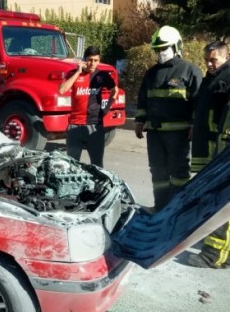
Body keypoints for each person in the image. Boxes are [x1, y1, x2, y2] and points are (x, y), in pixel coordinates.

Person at [134, 26, 202, 212]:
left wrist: (194, 125)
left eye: (164, 48)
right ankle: (161, 207)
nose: (160, 52)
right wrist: (140, 121)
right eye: (157, 49)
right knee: (158, 172)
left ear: (176, 46)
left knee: (179, 173)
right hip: (155, 134)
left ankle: (178, 210)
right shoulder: (151, 73)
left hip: (178, 135)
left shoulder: (190, 71)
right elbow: (143, 99)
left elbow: (198, 102)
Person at [187, 41, 230, 268]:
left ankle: (213, 254)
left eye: (213, 59)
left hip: (222, 151)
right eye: (207, 60)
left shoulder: (229, 77)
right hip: (212, 149)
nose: (209, 64)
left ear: (226, 56)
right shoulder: (211, 78)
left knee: (221, 201)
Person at [58, 45, 118, 167]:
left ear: (99, 60)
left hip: (95, 125)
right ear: (85, 59)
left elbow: (115, 91)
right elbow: (62, 90)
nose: (92, 63)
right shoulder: (73, 73)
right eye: (90, 60)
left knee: (97, 165)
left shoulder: (102, 76)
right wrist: (78, 72)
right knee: (72, 165)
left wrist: (107, 108)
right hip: (75, 125)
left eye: (96, 60)